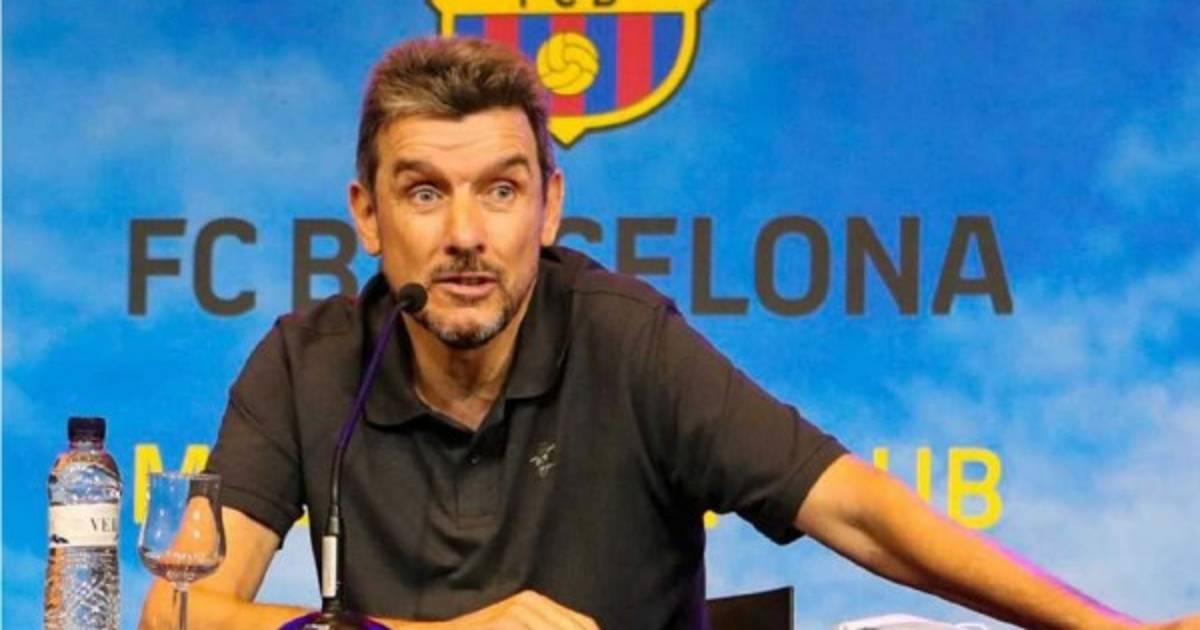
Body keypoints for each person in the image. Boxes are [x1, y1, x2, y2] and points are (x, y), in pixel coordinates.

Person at [139, 37, 1199, 630]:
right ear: (367, 216)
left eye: (501, 190)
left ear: (549, 207)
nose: (465, 235)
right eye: (424, 193)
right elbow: (180, 615)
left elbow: (858, 513)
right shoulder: (308, 360)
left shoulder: (627, 339)